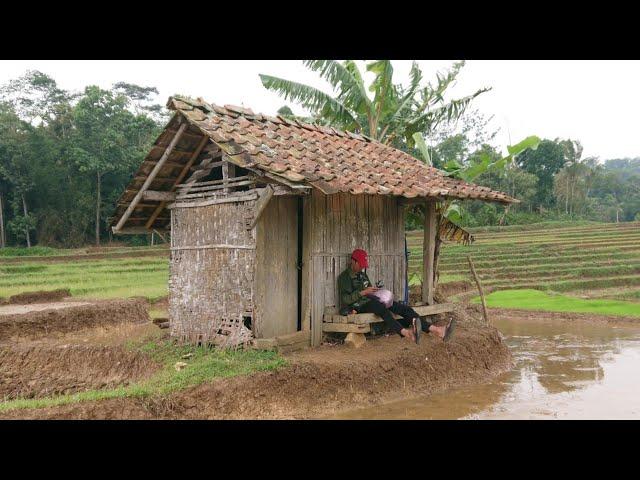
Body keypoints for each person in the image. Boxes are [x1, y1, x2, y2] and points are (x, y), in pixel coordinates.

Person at [337, 248, 454, 344]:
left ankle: (437, 330)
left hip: (372, 299)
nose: (362, 268)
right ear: (353, 261)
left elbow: (369, 290)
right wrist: (363, 292)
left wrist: (377, 292)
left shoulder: (362, 275)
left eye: (364, 265)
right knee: (382, 309)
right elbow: (346, 299)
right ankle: (406, 333)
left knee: (403, 308)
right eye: (360, 265)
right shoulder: (344, 277)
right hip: (360, 305)